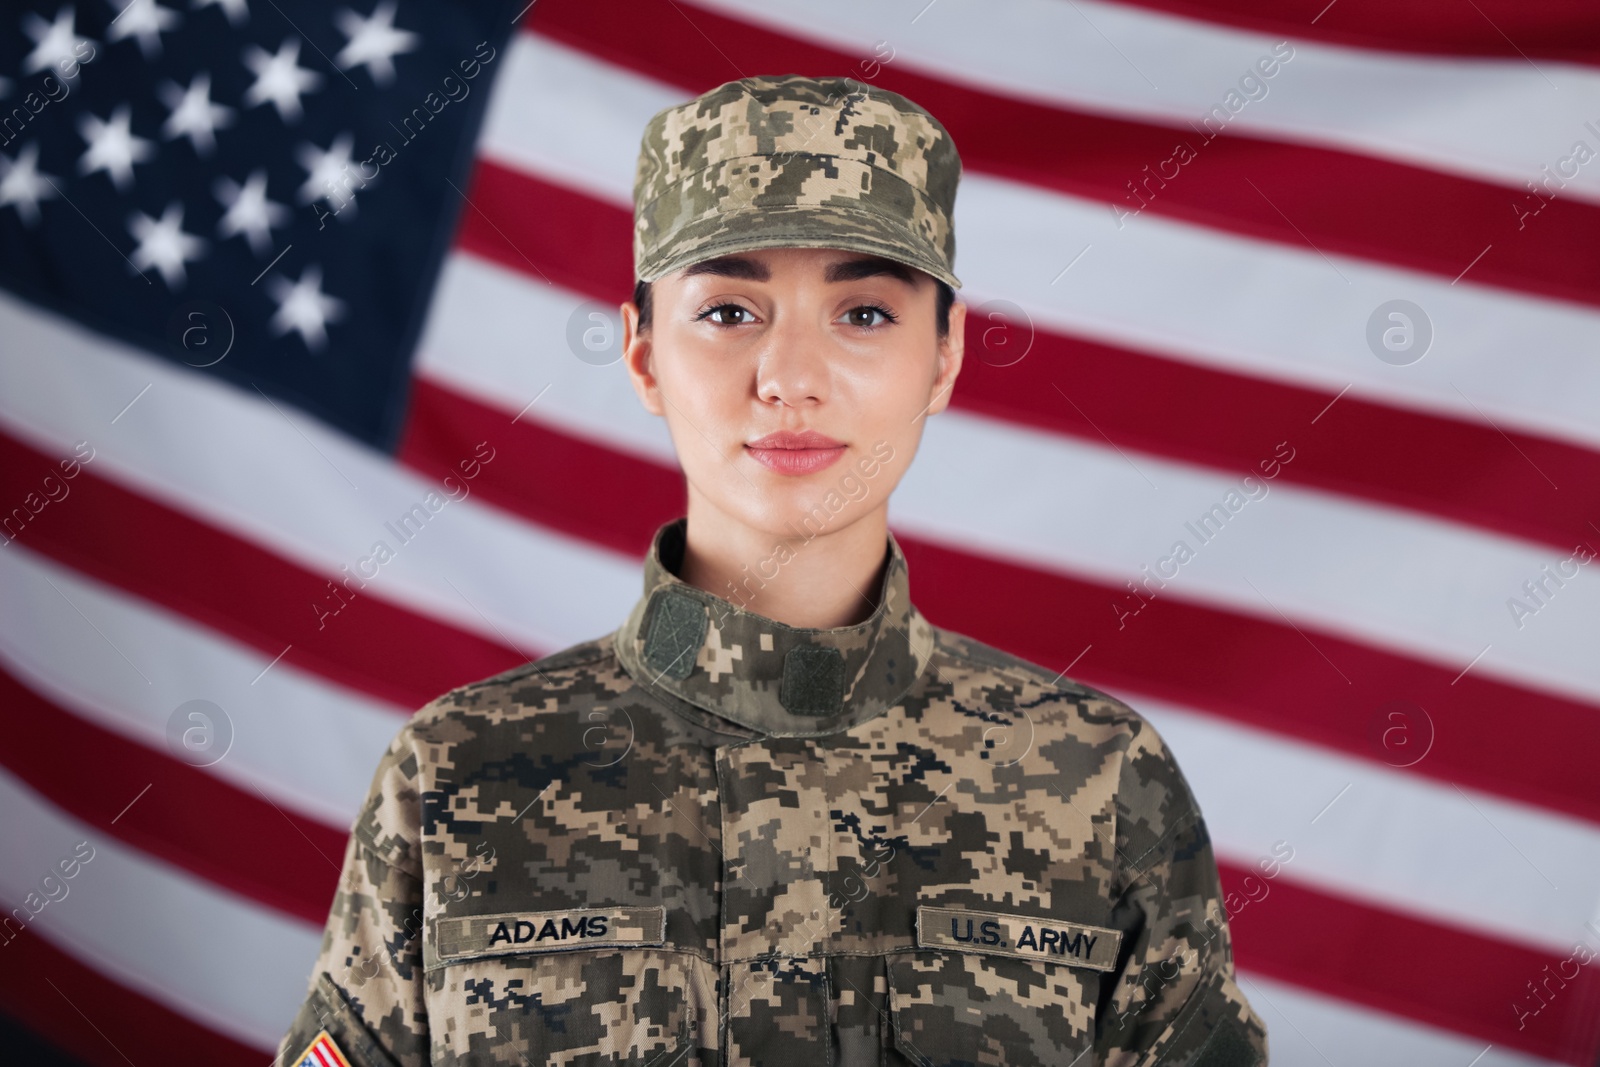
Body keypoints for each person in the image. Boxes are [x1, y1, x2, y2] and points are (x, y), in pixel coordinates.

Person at [276, 73, 1268, 1067]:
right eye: (728, 311)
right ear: (643, 354)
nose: (790, 376)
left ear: (945, 354)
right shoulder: (456, 775)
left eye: (865, 313)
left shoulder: (1097, 783)